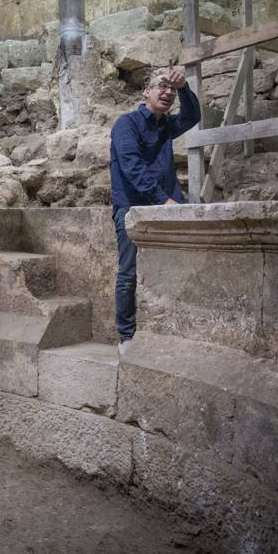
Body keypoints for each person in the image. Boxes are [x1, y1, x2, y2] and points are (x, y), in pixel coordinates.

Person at [109, 65, 200, 355]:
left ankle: (171, 332)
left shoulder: (166, 125)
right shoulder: (127, 124)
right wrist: (164, 200)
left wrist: (185, 88)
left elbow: (193, 116)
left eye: (171, 89)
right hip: (132, 207)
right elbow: (132, 168)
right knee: (128, 273)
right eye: (162, 86)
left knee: (178, 268)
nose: (168, 92)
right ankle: (126, 338)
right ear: (146, 92)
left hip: (164, 204)